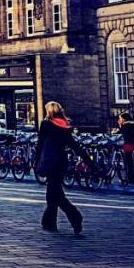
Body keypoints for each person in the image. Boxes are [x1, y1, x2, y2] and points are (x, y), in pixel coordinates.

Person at [34, 101, 94, 236]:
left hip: (49, 162)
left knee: (55, 195)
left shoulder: (46, 124)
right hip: (61, 163)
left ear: (48, 112)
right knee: (54, 193)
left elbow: (40, 144)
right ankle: (49, 222)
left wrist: (36, 161)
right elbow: (74, 146)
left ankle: (74, 216)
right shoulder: (64, 126)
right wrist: (89, 161)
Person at [117, 112, 134, 186]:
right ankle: (131, 179)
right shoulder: (132, 125)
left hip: (127, 145)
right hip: (131, 145)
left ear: (123, 119)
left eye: (120, 118)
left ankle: (130, 179)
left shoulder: (125, 126)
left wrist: (119, 127)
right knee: (130, 163)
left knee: (128, 163)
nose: (119, 120)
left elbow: (120, 135)